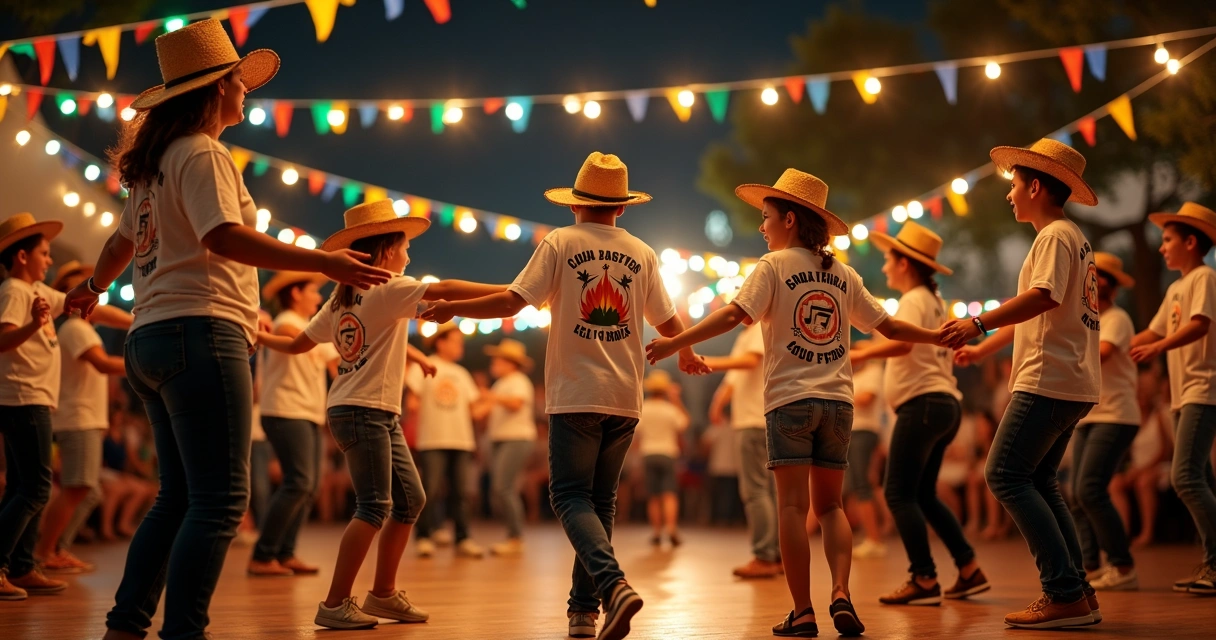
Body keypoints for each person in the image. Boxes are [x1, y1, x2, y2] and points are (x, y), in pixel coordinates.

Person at [61, 20, 391, 640]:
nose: (247, 92)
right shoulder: (204, 152)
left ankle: (125, 625)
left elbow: (118, 243)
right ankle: (182, 631)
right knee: (218, 501)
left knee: (178, 497)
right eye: (239, 81)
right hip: (200, 333)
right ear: (217, 89)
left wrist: (94, 287)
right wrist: (322, 260)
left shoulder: (158, 164)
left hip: (150, 336)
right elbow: (222, 237)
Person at [422, 152, 708, 640]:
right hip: (624, 396)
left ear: (576, 204)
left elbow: (515, 300)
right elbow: (667, 319)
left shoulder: (561, 241)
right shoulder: (642, 252)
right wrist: (685, 351)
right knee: (600, 503)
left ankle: (612, 585)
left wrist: (454, 310)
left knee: (569, 495)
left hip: (576, 392)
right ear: (621, 208)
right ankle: (582, 613)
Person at [646, 169, 943, 638]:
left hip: (789, 401)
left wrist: (673, 342)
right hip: (839, 405)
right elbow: (891, 327)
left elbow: (732, 315)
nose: (762, 227)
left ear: (789, 218)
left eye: (765, 218)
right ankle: (841, 593)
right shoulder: (843, 274)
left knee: (790, 507)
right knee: (831, 508)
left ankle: (803, 612)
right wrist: (937, 335)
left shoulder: (773, 267)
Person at [258, 199, 506, 629]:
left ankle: (383, 595)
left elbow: (300, 343)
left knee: (410, 500)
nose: (409, 254)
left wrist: (263, 339)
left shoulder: (341, 301)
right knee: (374, 505)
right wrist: (512, 292)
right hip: (364, 410)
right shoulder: (388, 287)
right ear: (387, 250)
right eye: (405, 245)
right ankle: (335, 603)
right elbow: (444, 288)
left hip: (364, 410)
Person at [942, 139, 1102, 628]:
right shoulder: (1072, 237)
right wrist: (983, 345)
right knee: (1040, 481)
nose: (1009, 195)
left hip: (1048, 379)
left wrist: (978, 322)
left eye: (1013, 186)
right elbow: (1040, 309)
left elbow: (1043, 298)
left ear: (1036, 186)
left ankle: (1063, 592)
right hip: (1072, 379)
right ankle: (1078, 591)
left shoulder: (1054, 236)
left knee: (1004, 475)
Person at [852, 221, 987, 606]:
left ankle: (924, 578)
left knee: (897, 492)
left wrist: (860, 353)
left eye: (887, 260)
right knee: (923, 494)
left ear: (905, 264)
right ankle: (968, 568)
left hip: (923, 404)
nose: (884, 268)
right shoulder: (933, 301)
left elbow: (901, 345)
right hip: (944, 405)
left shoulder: (913, 300)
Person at [1129, 202, 1216, 596]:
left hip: (1203, 388)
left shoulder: (1205, 278)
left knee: (1184, 477)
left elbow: (1200, 325)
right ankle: (1211, 564)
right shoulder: (1177, 287)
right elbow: (1152, 331)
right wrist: (1111, 342)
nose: (1162, 248)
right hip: (1183, 396)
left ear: (1191, 242)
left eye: (1167, 240)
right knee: (1201, 478)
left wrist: (1159, 347)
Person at [36, 262, 132, 574]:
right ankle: (45, 550)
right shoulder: (76, 329)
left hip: (84, 418)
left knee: (86, 490)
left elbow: (118, 319)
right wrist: (142, 361)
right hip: (78, 418)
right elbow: (103, 364)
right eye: (86, 289)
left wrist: (141, 322)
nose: (94, 297)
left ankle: (54, 548)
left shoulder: (81, 325)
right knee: (79, 488)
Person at [247, 272, 336, 576]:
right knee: (298, 482)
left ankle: (285, 553)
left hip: (309, 412)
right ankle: (263, 554)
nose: (319, 298)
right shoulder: (286, 320)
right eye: (313, 291)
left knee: (308, 487)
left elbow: (338, 365)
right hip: (285, 410)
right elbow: (288, 334)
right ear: (296, 294)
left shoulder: (313, 329)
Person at [1066, 253, 1141, 591]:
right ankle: (1092, 565)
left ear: (1104, 285)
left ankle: (1123, 566)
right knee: (1077, 492)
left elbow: (1103, 353)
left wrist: (1061, 353)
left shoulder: (1116, 319)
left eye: (1094, 278)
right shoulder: (1088, 319)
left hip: (1117, 414)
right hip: (1090, 415)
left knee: (1089, 489)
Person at [704, 323, 780, 578]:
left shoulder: (760, 328)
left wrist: (706, 361)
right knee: (767, 491)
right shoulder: (748, 334)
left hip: (753, 419)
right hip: (757, 419)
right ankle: (776, 555)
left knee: (756, 490)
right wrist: (718, 403)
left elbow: (749, 362)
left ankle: (765, 555)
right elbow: (734, 379)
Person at [408, 322, 490, 559]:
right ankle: (424, 536)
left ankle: (462, 538)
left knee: (461, 493)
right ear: (441, 342)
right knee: (430, 490)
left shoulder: (462, 374)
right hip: (432, 439)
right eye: (456, 341)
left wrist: (495, 400)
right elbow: (413, 401)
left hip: (461, 440)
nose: (460, 347)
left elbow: (474, 411)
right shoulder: (424, 365)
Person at [482, 338, 537, 556]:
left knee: (503, 487)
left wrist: (492, 397)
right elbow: (482, 409)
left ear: (511, 363)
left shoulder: (519, 381)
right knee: (503, 488)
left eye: (498, 359)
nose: (493, 363)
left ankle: (516, 538)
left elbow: (515, 404)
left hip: (517, 438)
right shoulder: (501, 384)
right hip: (502, 439)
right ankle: (513, 536)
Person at [635, 370, 690, 547]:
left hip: (648, 453)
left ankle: (656, 532)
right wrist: (676, 399)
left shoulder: (643, 407)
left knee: (653, 495)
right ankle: (672, 529)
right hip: (668, 453)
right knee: (669, 494)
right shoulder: (670, 409)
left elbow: (637, 432)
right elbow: (684, 423)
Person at [843, 344, 886, 560]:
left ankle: (874, 539)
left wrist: (843, 398)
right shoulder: (854, 376)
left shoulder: (873, 372)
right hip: (853, 433)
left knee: (863, 484)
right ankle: (870, 536)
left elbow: (866, 398)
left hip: (864, 432)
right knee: (857, 485)